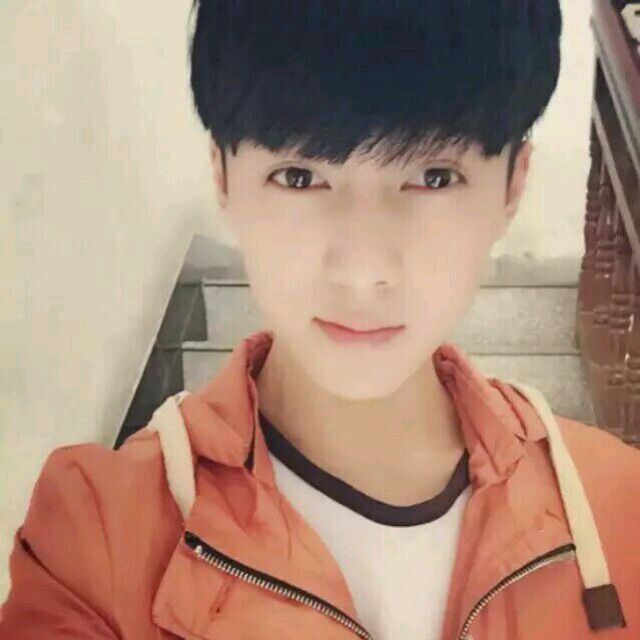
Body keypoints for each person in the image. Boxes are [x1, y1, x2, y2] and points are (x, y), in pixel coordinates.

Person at [2, 1, 640, 638]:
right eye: (299, 177)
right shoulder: (98, 541)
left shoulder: (619, 509)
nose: (362, 270)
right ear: (222, 176)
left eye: (433, 177)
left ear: (512, 186)